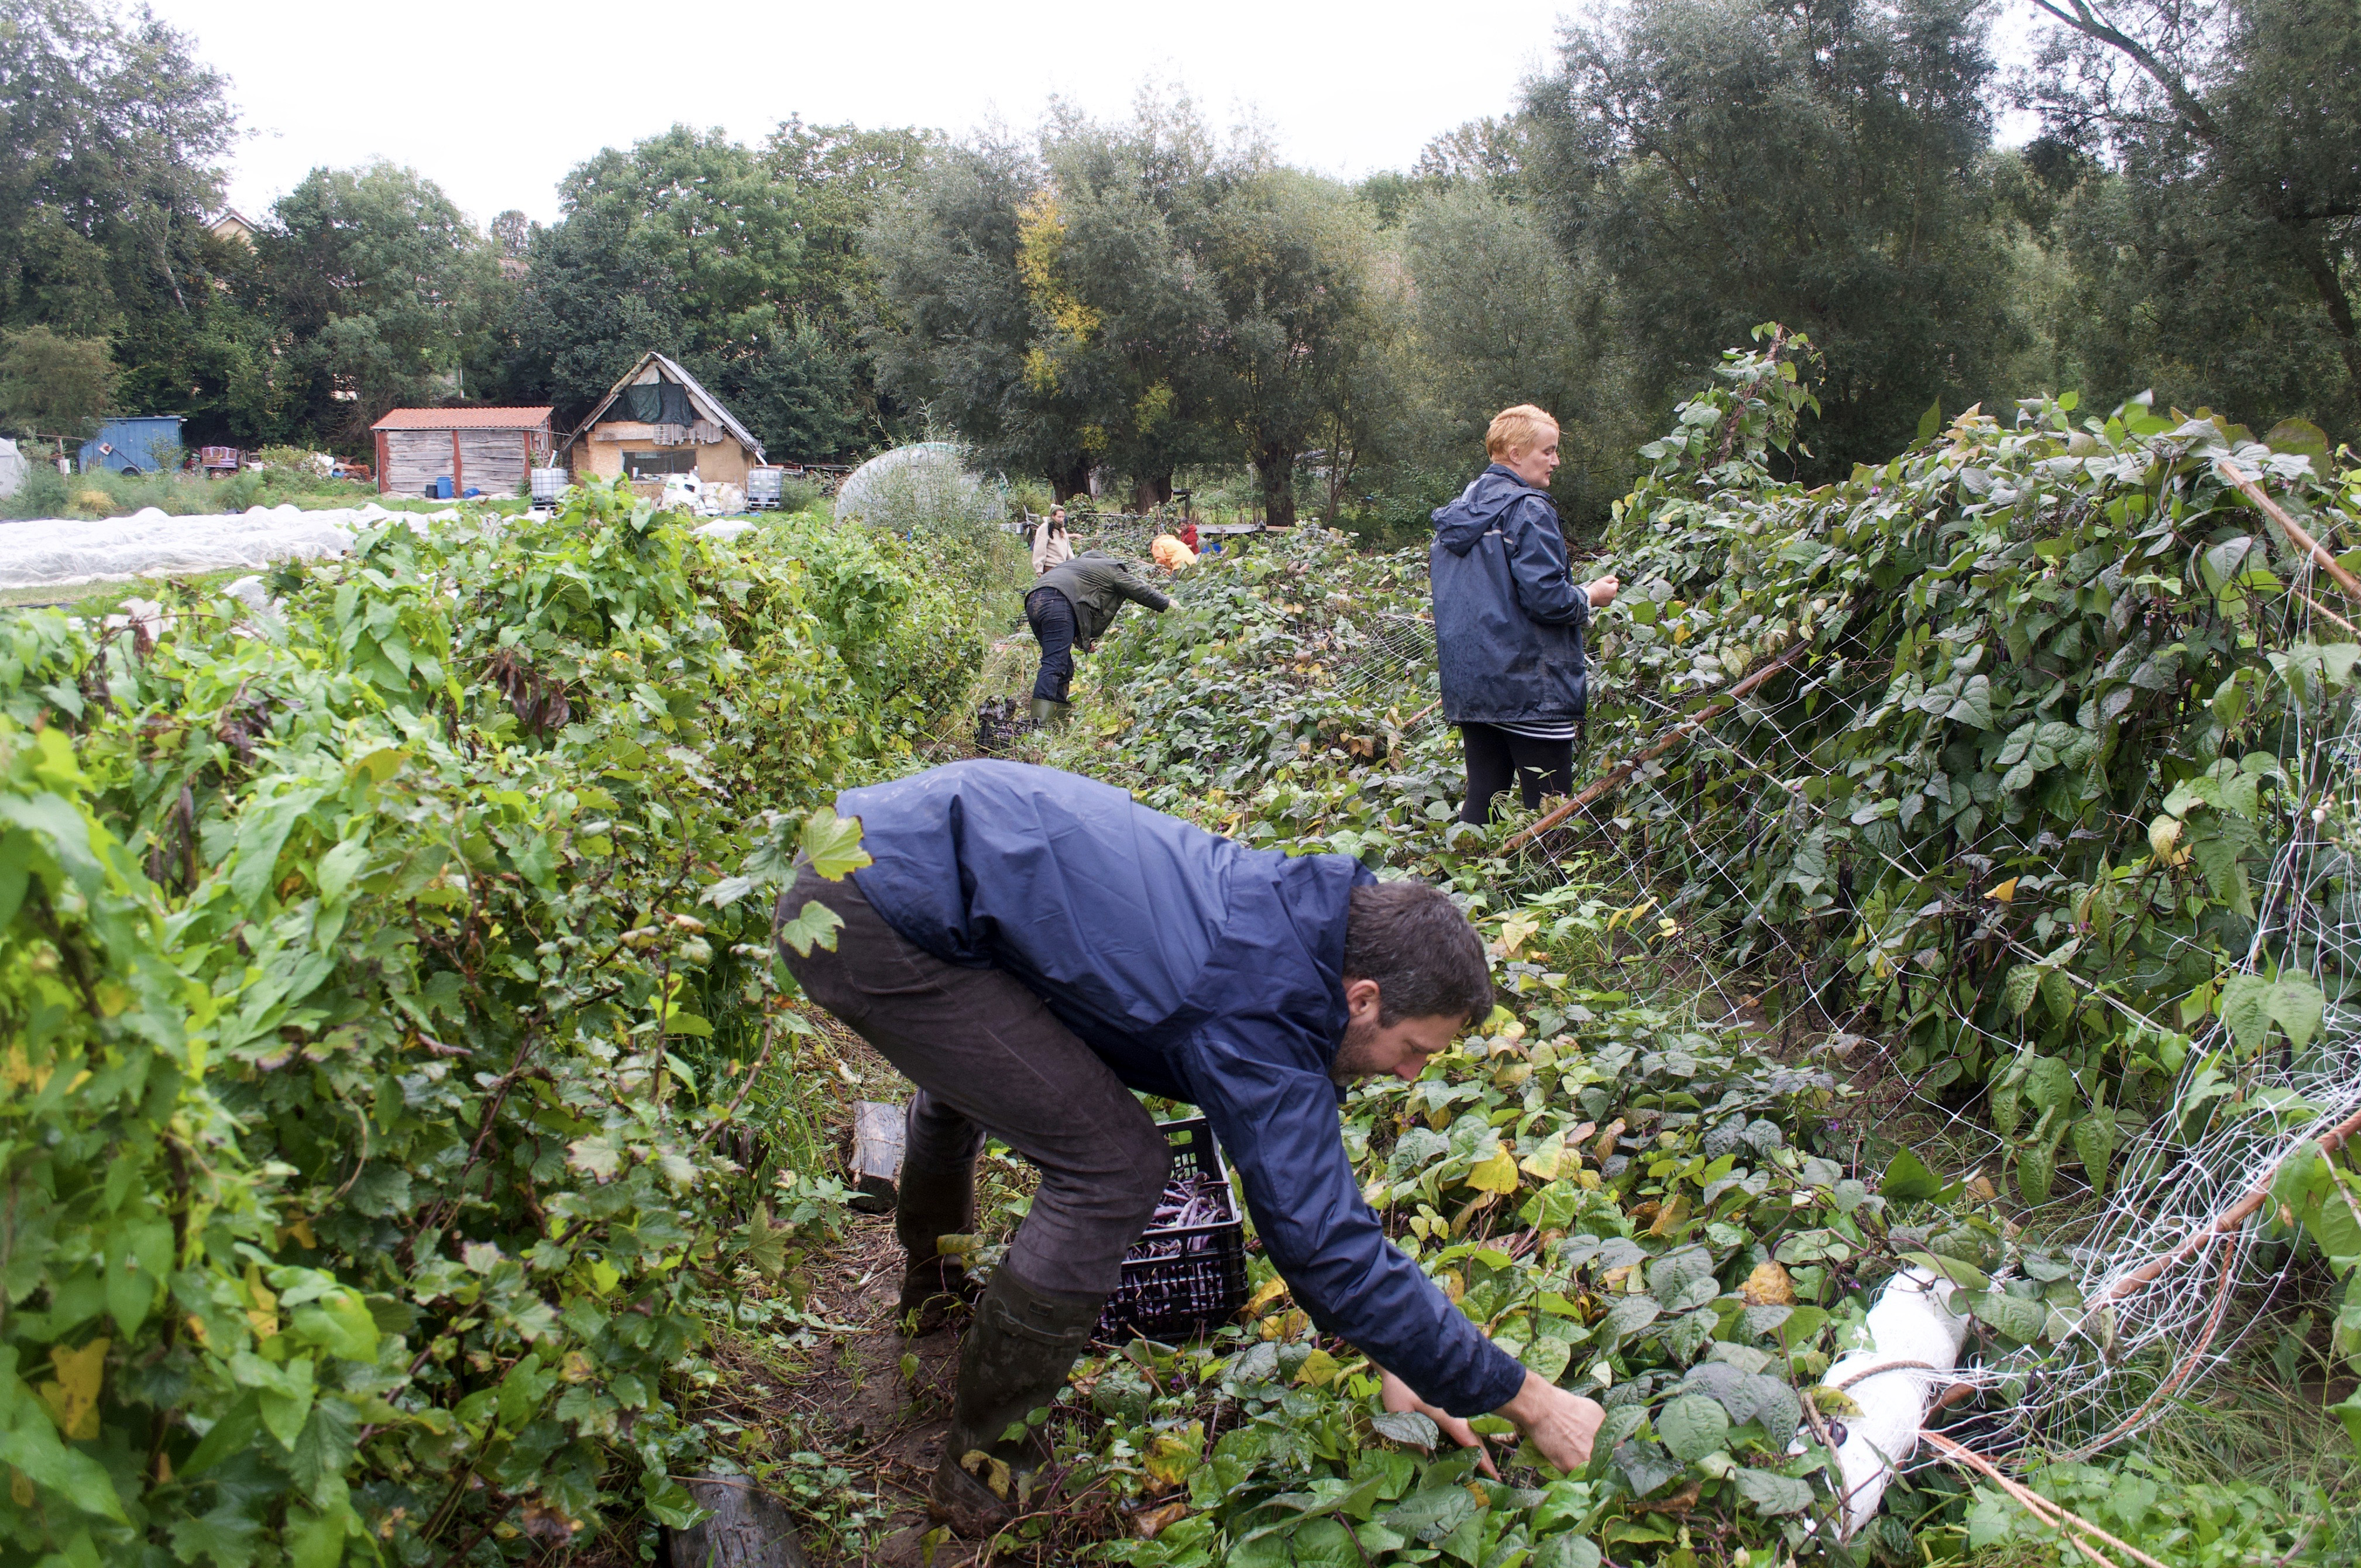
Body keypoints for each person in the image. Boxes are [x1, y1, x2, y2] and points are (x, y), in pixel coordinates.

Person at [774, 761, 1607, 1536]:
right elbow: (1326, 1250)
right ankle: (983, 1470)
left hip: (908, 853)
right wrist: (1527, 1399)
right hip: (873, 907)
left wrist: (1408, 1357)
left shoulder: (1301, 917)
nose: (1412, 1071)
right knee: (1113, 1166)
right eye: (1416, 1048)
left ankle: (935, 1293)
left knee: (991, 1066)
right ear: (1363, 997)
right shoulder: (1259, 1006)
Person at [1431, 404, 1619, 824]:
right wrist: (1589, 595)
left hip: (1472, 683)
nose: (1556, 461)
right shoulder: (1528, 509)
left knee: (1483, 798)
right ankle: (1552, 885)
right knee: (1551, 809)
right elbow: (1547, 599)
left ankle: (1462, 886)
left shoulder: (1460, 513)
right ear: (1515, 454)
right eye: (1547, 451)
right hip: (1530, 684)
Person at [1025, 549, 1169, 727]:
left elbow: (1076, 600)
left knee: (1062, 663)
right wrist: (1169, 605)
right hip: (1057, 601)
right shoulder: (1111, 569)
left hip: (1035, 600)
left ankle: (1056, 722)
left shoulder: (1076, 568)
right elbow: (1141, 591)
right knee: (1055, 663)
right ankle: (1041, 723)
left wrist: (1079, 637)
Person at [1032, 506, 1074, 575]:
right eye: (1059, 517)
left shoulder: (1062, 529)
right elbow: (1040, 548)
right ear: (1053, 516)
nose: (1061, 519)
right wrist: (1039, 569)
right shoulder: (1045, 528)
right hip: (1050, 567)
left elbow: (1067, 548)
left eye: (1063, 517)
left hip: (1062, 566)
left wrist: (1072, 563)